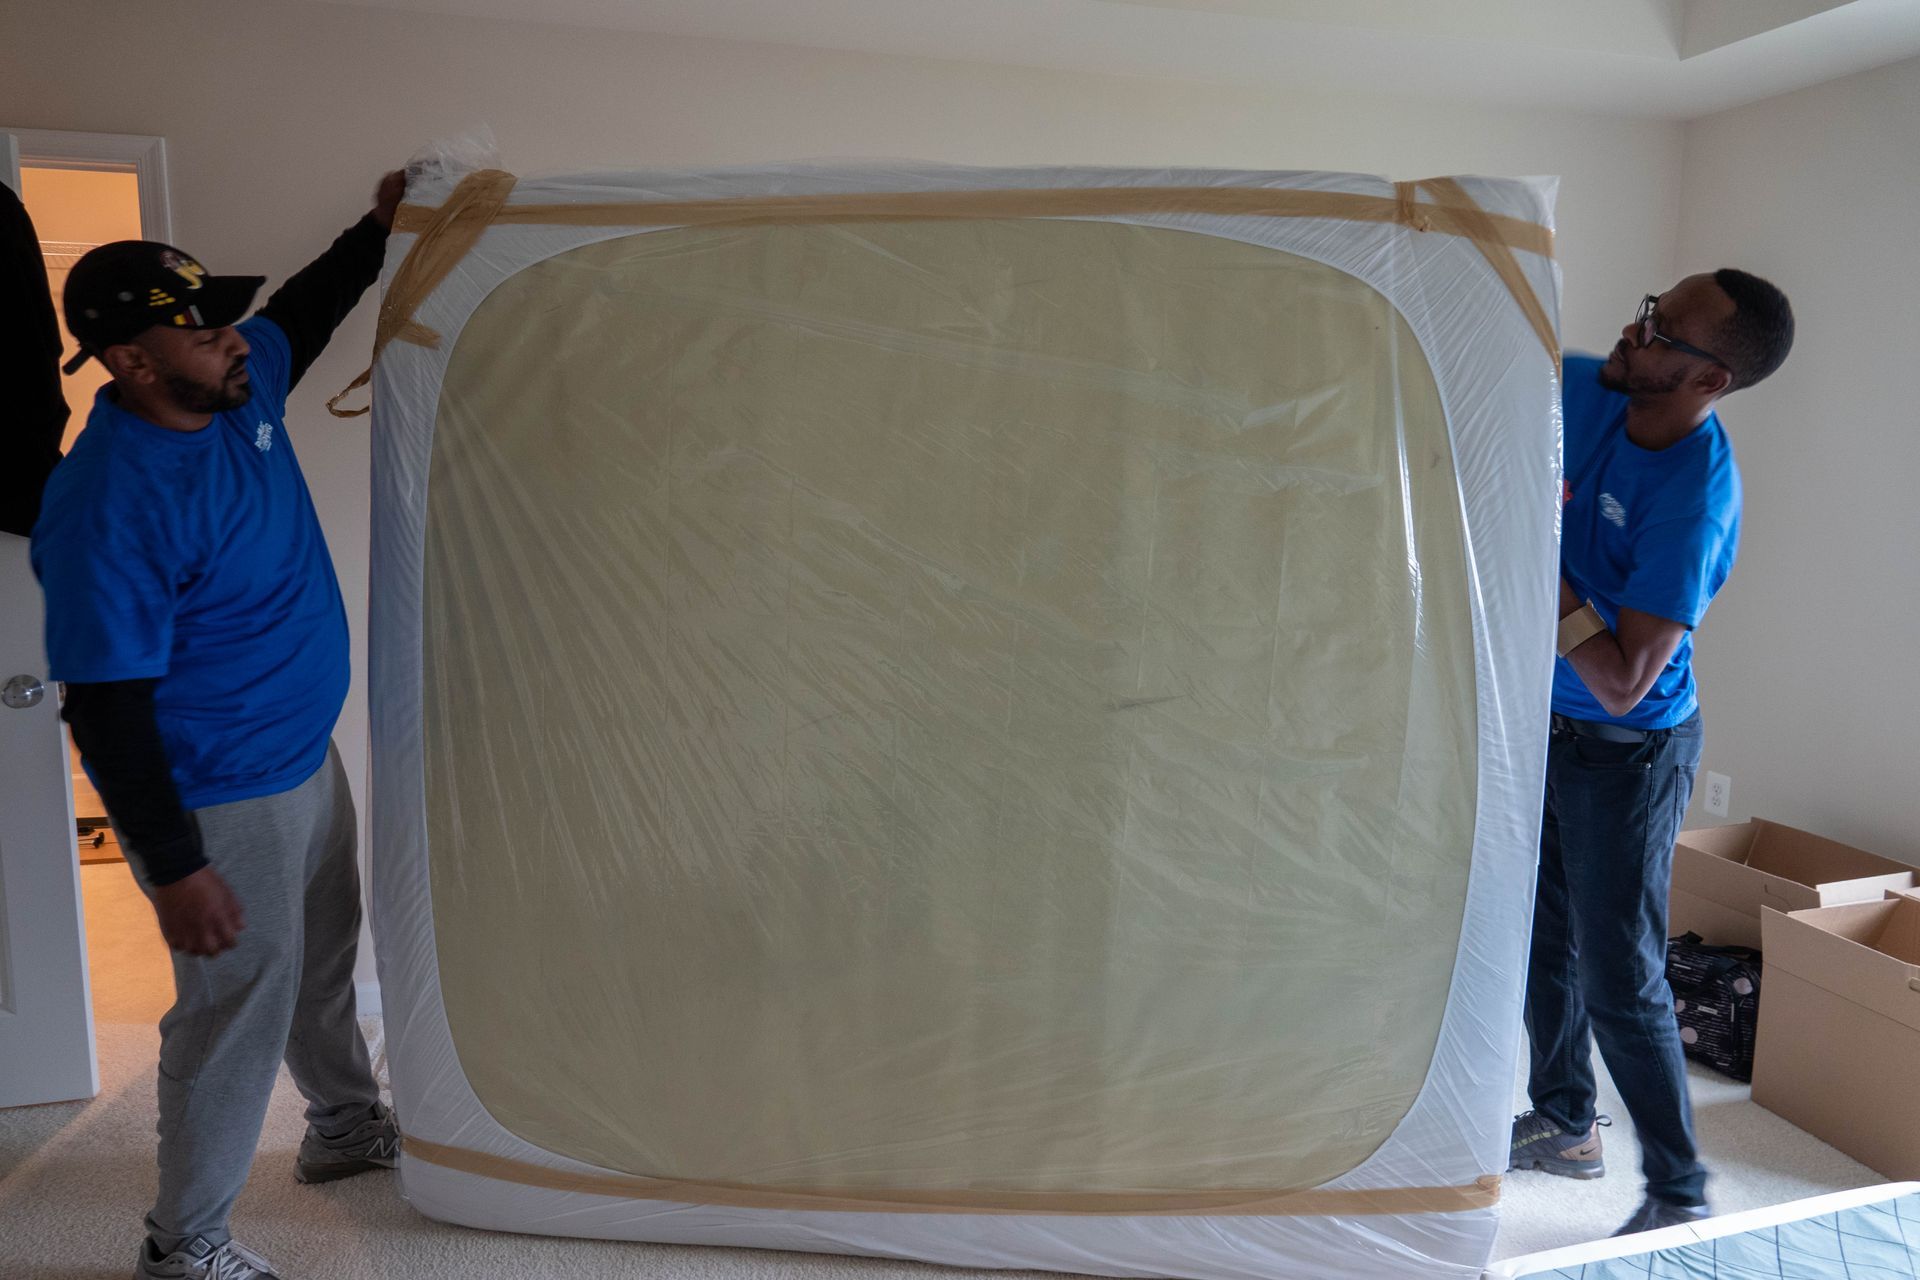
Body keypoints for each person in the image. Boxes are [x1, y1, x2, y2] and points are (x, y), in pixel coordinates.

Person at [31, 170, 409, 1280]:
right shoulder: (110, 502)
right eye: (195, 330)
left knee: (321, 960)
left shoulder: (242, 391)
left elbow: (305, 308)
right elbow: (101, 701)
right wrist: (176, 860)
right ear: (131, 361)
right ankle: (182, 1243)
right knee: (234, 1010)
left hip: (305, 750)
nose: (230, 339)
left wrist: (378, 226)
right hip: (218, 788)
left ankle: (343, 1124)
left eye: (218, 313)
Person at [1510, 271, 1794, 1237]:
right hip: (1544, 725)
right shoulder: (1589, 385)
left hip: (1630, 750)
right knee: (1542, 941)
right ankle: (1564, 1123)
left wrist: (1531, 552)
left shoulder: (1695, 499)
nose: (1633, 331)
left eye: (1662, 329)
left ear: (1709, 380)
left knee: (1618, 971)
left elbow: (1626, 678)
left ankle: (1678, 1190)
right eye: (1646, 306)